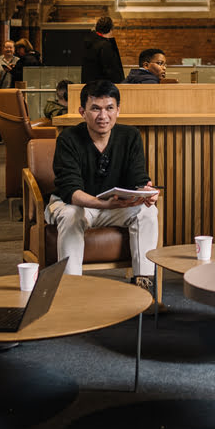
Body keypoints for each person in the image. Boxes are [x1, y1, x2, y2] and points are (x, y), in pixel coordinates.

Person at [47, 79, 160, 289]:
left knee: (148, 212)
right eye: (95, 109)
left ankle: (144, 287)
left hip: (113, 206)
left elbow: (137, 178)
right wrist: (102, 204)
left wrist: (146, 191)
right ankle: (71, 290)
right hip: (76, 205)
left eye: (109, 108)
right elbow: (70, 191)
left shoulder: (130, 136)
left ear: (118, 110)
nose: (103, 116)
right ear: (82, 111)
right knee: (72, 215)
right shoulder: (68, 139)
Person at [80, 16, 124, 84]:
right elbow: (111, 70)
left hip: (89, 86)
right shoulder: (105, 46)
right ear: (111, 29)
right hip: (103, 88)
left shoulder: (89, 43)